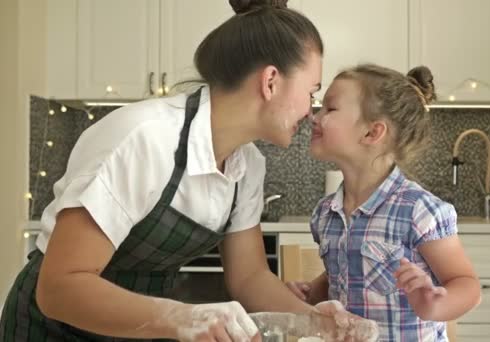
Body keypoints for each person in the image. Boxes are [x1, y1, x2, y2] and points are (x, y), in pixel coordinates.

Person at [0, 1, 378, 341]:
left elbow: (249, 278)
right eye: (311, 92)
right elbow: (60, 289)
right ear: (270, 81)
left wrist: (316, 321)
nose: (310, 111)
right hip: (50, 329)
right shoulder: (144, 139)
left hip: (134, 332)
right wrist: (181, 317)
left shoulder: (247, 167)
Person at [286, 64, 482, 341]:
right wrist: (311, 292)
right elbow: (342, 275)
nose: (314, 117)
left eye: (329, 109)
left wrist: (436, 303)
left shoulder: (419, 210)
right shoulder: (326, 213)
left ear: (372, 133)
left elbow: (467, 286)